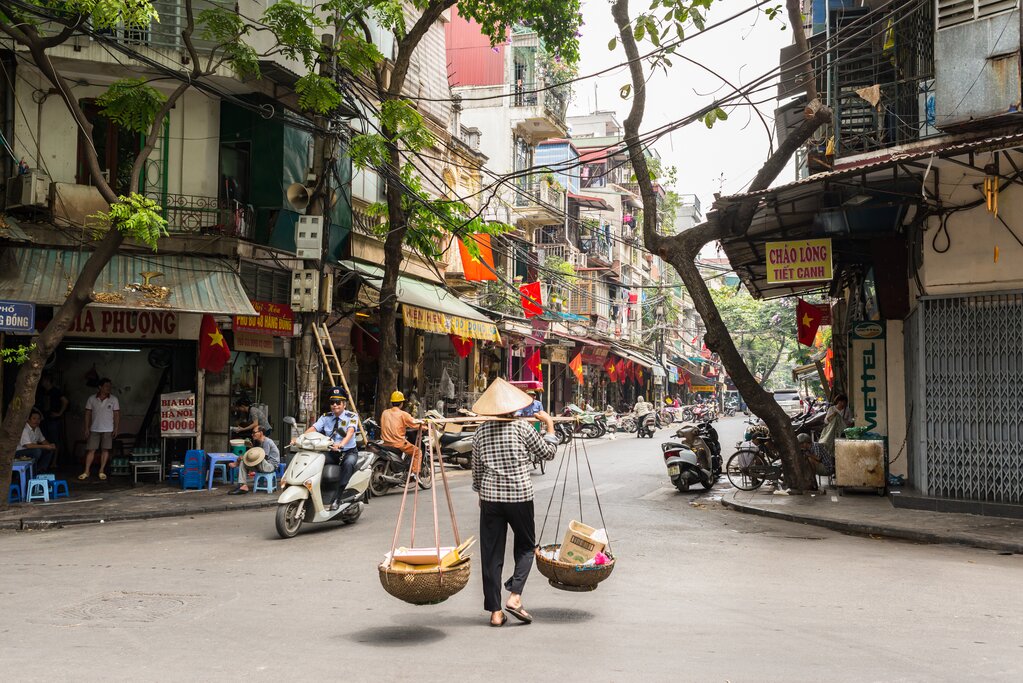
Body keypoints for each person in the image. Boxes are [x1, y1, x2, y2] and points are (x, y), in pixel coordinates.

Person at [471, 378, 558, 627]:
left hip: (490, 499)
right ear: (513, 407)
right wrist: (550, 423)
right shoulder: (521, 428)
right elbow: (548, 453)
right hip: (519, 496)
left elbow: (476, 470)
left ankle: (495, 612)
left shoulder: (480, 432)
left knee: (491, 554)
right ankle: (515, 595)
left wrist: (480, 492)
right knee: (527, 547)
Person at [301, 387, 359, 510]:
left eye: (338, 402)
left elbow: (350, 432)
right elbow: (314, 429)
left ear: (344, 404)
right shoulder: (325, 417)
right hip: (331, 453)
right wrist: (300, 438)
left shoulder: (352, 416)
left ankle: (338, 498)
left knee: (348, 464)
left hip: (348, 452)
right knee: (313, 462)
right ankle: (312, 495)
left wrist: (341, 444)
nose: (335, 405)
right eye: (332, 402)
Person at [80, 378, 119, 481]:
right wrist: (86, 428)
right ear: (100, 387)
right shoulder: (91, 399)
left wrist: (116, 428)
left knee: (105, 450)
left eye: (110, 386)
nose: (109, 388)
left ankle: (101, 470)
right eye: (106, 386)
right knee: (91, 450)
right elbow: (88, 413)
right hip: (94, 428)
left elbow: (116, 414)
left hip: (108, 428)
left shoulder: (114, 399)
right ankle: (86, 471)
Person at [380, 390, 425, 476]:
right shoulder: (403, 414)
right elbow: (414, 424)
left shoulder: (384, 413)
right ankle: (414, 474)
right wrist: (425, 427)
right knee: (418, 452)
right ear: (401, 403)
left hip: (386, 443)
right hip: (398, 443)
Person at [228, 426, 280, 494]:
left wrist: (247, 457)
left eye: (254, 432)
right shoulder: (259, 442)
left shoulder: (267, 441)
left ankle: (236, 463)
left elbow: (264, 457)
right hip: (263, 465)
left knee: (245, 458)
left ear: (261, 433)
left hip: (270, 466)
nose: (252, 434)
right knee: (243, 462)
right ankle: (243, 486)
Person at [37, 373, 68, 465]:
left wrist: (59, 413)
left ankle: (54, 462)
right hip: (43, 419)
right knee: (43, 440)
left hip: (53, 420)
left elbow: (65, 401)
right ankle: (45, 462)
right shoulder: (42, 391)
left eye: (43, 380)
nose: (41, 382)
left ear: (47, 381)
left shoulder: (56, 391)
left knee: (55, 441)